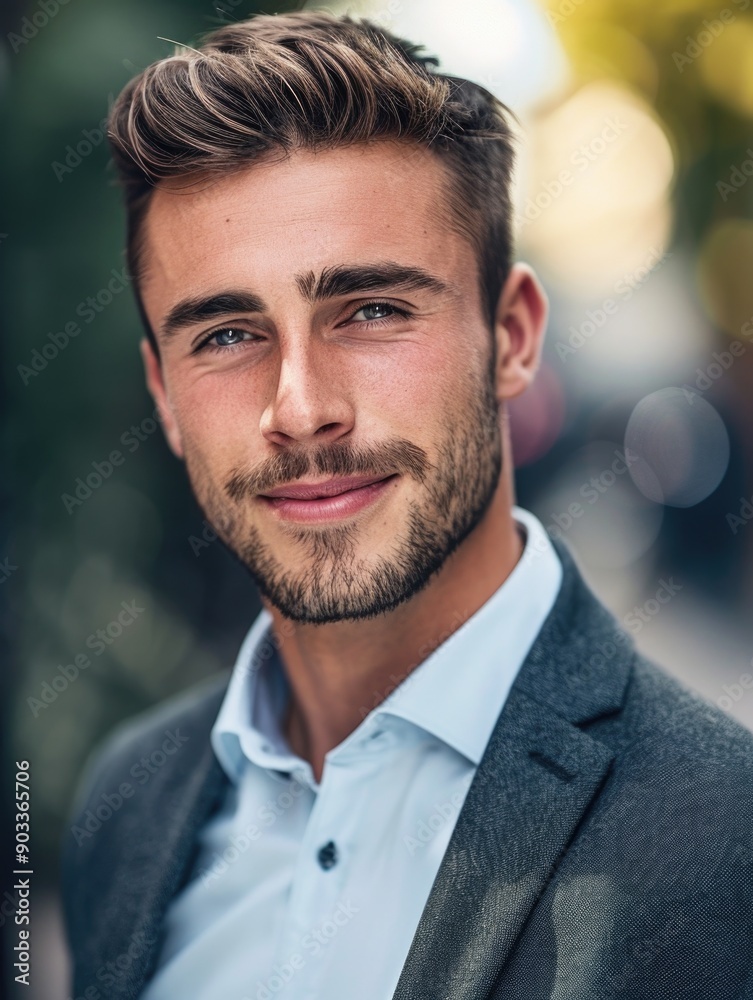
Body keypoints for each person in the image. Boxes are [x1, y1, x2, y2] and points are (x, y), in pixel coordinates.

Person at [61, 11, 753, 1000]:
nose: (300, 410)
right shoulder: (122, 809)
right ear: (164, 396)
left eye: (372, 310)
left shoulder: (729, 842)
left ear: (511, 337)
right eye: (224, 334)